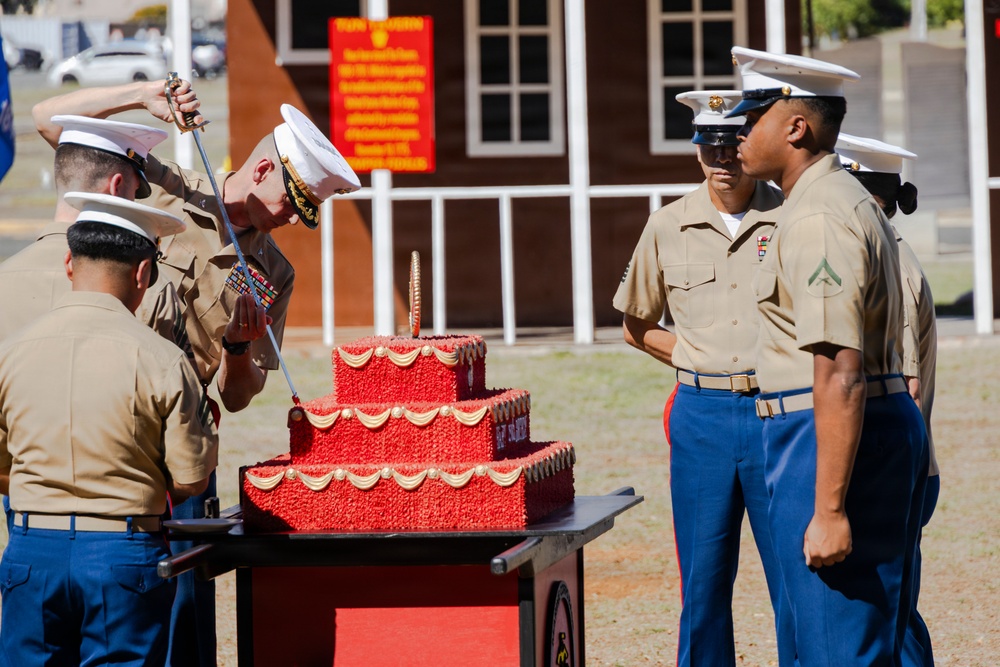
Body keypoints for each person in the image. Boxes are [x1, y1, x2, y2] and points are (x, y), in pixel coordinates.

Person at [32, 79, 360, 667]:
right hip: (94, 424)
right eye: (292, 202)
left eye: (304, 213)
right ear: (263, 170)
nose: (288, 221)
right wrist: (143, 95)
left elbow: (239, 397)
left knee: (180, 616)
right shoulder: (161, 184)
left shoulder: (272, 274)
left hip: (176, 451)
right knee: (75, 607)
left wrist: (237, 348)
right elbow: (51, 122)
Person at [730, 47, 928, 666]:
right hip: (848, 427)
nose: (737, 130)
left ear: (796, 127)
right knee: (843, 639)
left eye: (752, 114)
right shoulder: (837, 198)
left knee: (834, 645)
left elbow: (840, 369)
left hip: (829, 434)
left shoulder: (817, 213)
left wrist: (830, 509)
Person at [0, 193, 218, 667]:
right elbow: (191, 479)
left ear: (68, 263)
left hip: (32, 548)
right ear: (143, 273)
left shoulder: (12, 351)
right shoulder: (162, 358)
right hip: (123, 551)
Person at [613, 90, 789, 666]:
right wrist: (693, 357)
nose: (721, 161)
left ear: (750, 144)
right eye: (708, 148)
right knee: (703, 580)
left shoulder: (790, 217)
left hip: (779, 415)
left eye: (732, 146)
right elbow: (636, 324)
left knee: (793, 577)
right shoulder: (667, 225)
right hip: (703, 418)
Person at [835, 133, 938, 667]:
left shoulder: (885, 261)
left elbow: (906, 384)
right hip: (897, 461)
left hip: (887, 465)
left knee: (889, 619)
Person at [0, 114, 189, 354]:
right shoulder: (146, 284)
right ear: (116, 186)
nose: (134, 198)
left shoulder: (4, 277)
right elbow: (172, 380)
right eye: (135, 190)